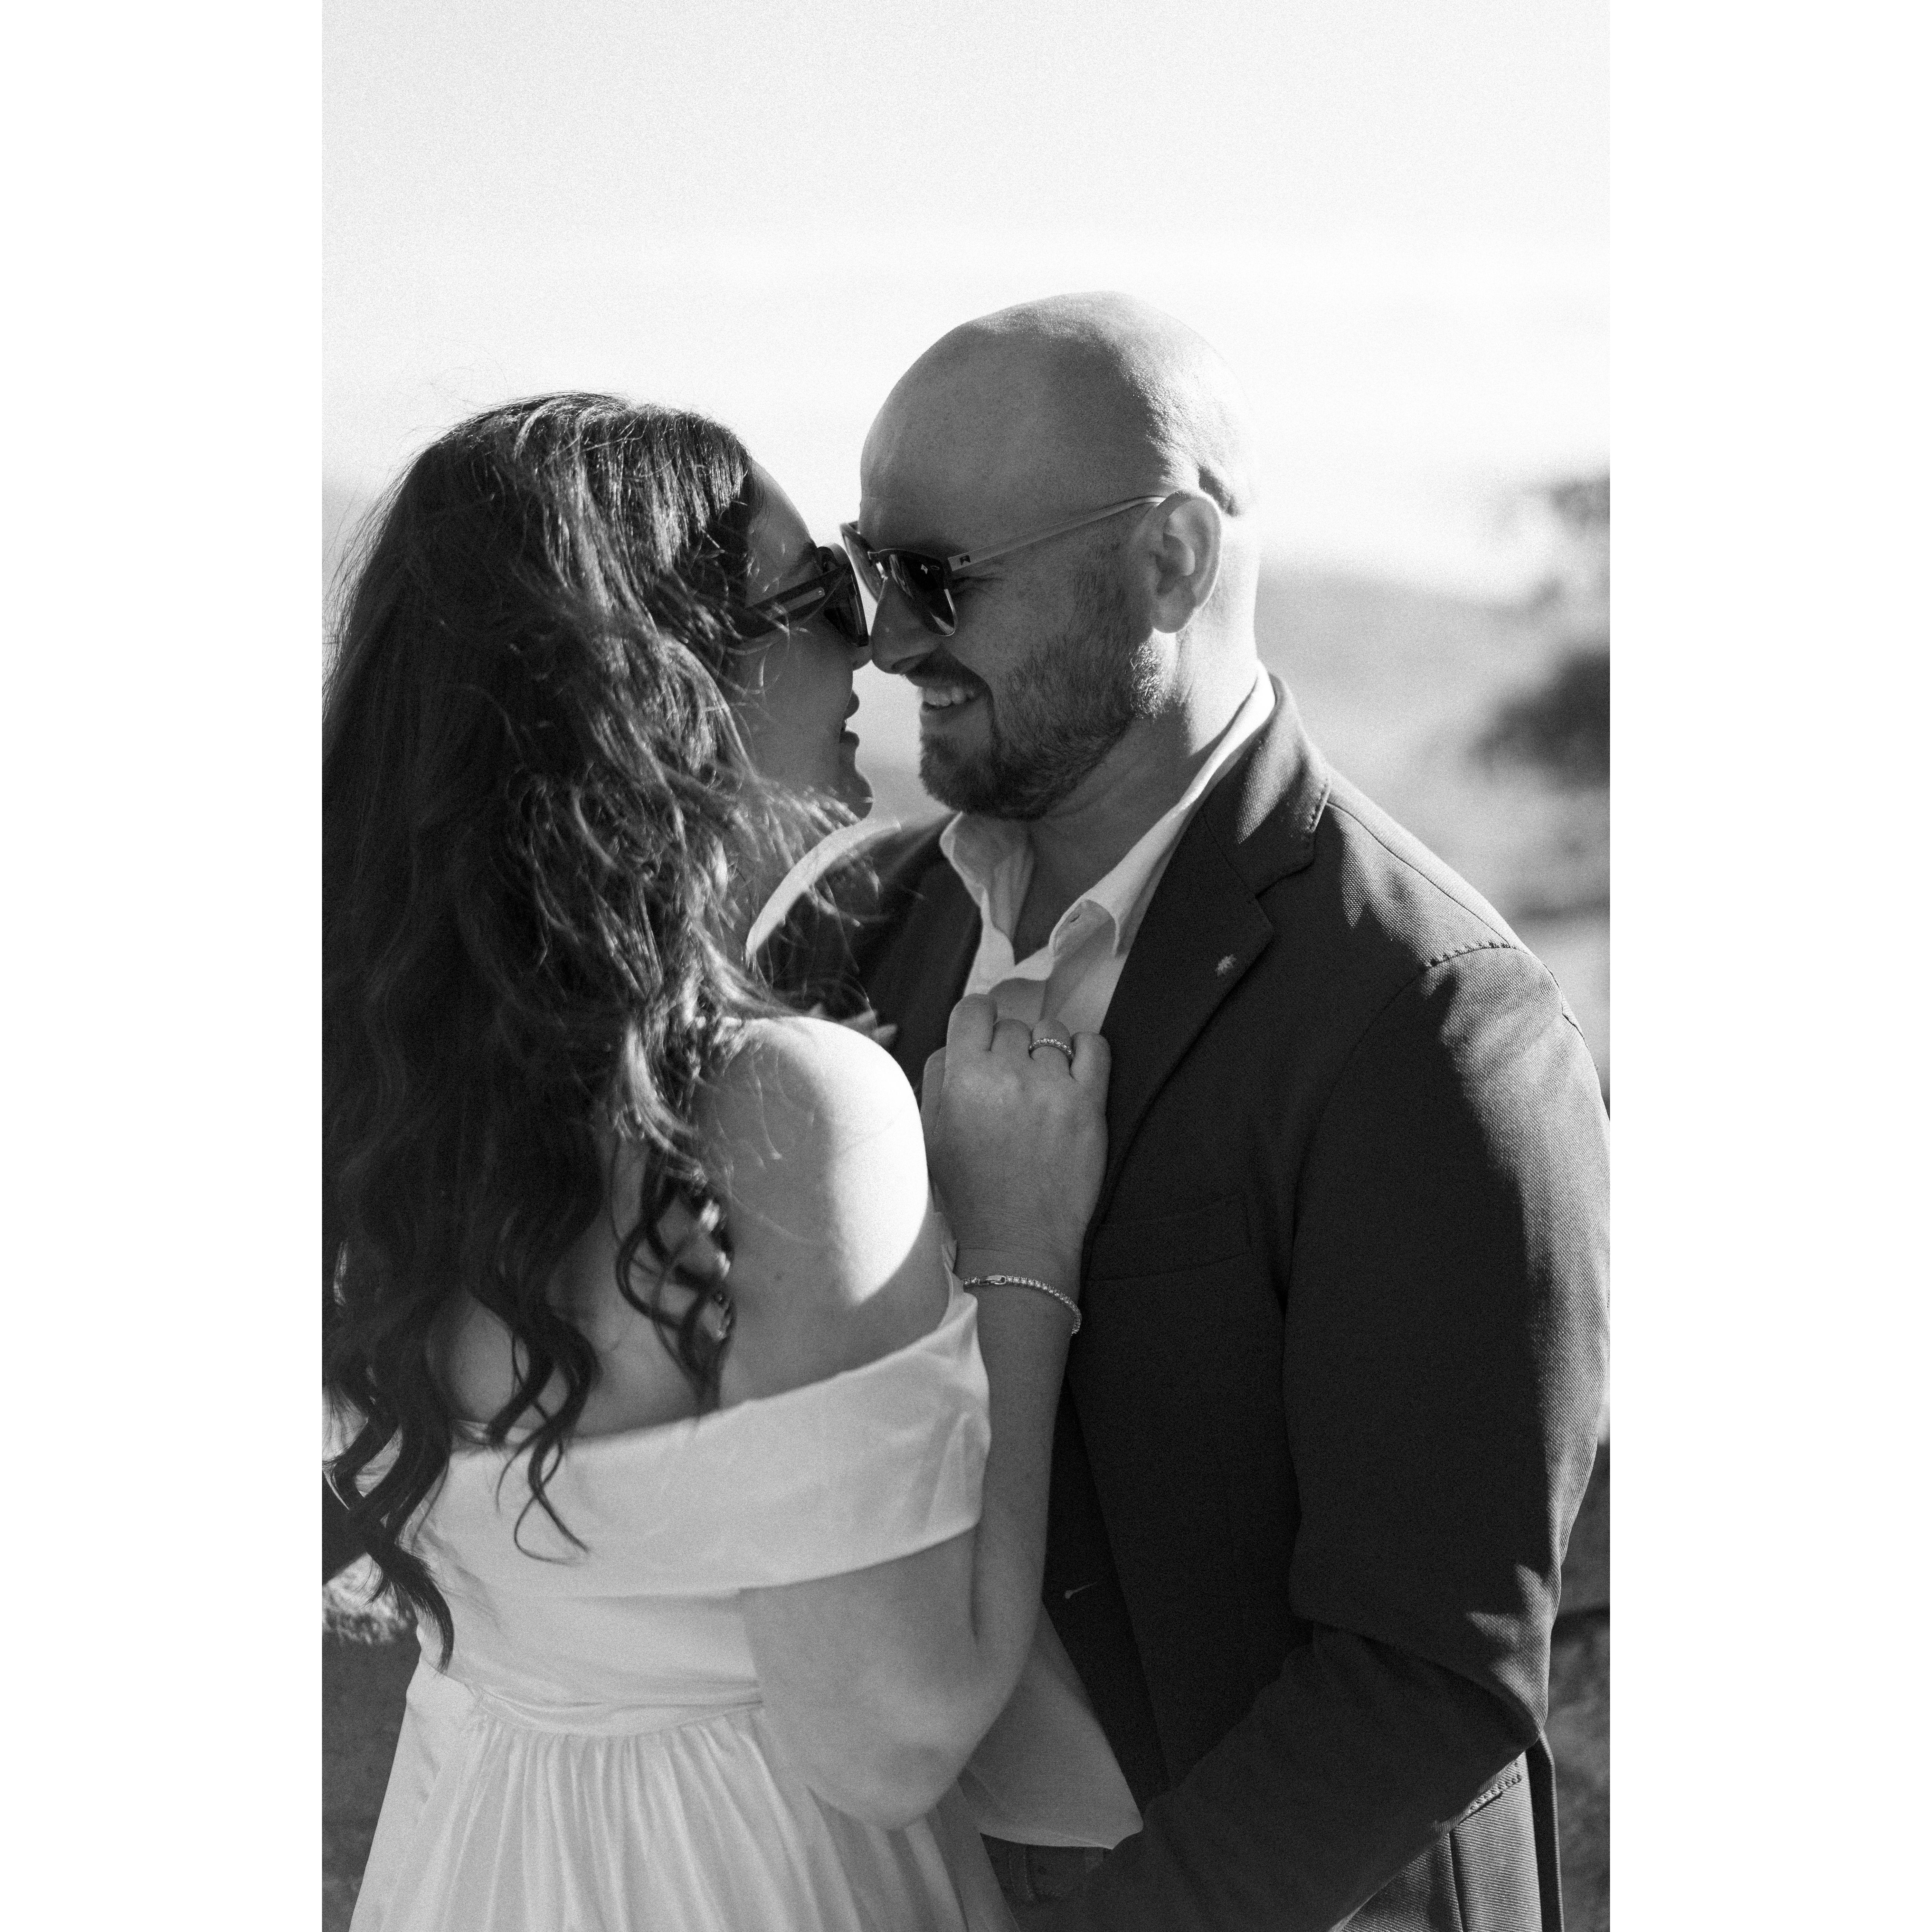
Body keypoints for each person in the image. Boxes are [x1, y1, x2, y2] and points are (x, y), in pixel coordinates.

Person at [814, 295, 1611, 1930]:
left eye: (939, 578)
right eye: (863, 568)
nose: (886, 641)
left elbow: (1428, 1673)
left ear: (1171, 560)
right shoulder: (873, 930)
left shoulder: (1432, 1015)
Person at [324, 394, 1139, 1932]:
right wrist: (1020, 1255)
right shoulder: (780, 1110)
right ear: (669, 684)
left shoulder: (375, 1110)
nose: (876, 645)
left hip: (477, 1857)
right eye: (824, 593)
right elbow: (890, 1736)